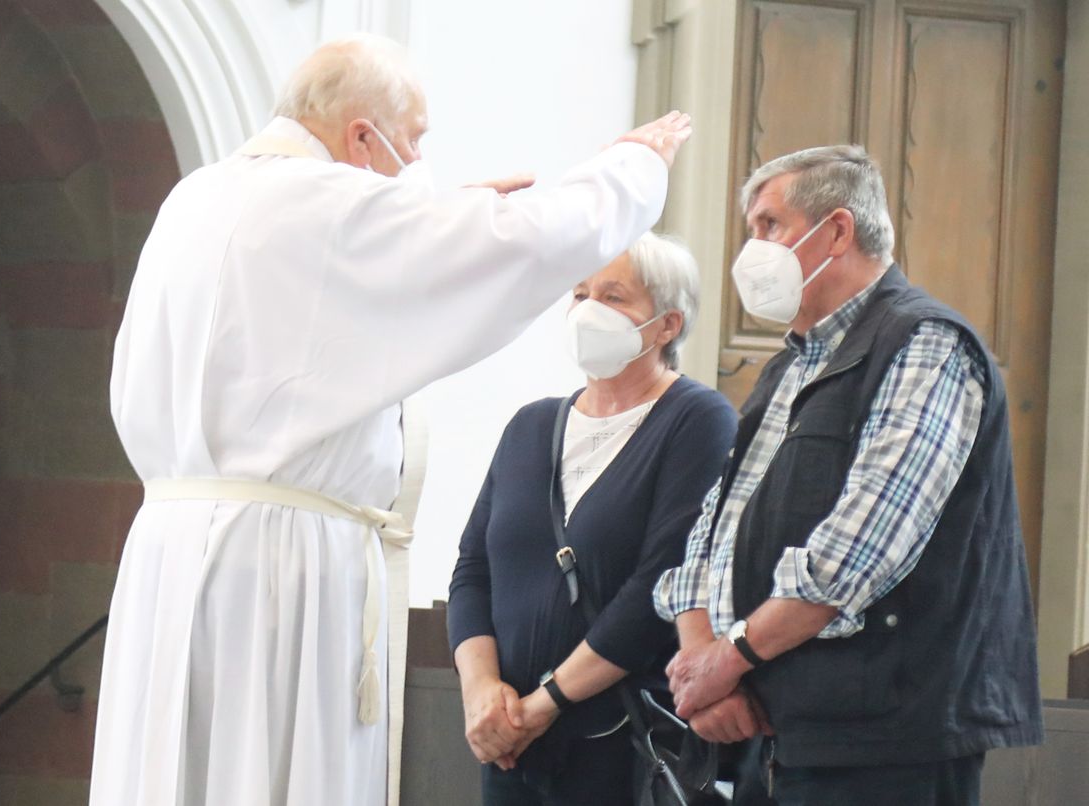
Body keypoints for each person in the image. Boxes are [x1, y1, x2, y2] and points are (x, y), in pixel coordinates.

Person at [91, 32, 693, 806]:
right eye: (413, 143)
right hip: (278, 565)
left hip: (171, 557)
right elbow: (519, 243)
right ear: (361, 137)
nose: (417, 166)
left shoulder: (198, 199)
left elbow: (356, 284)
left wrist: (445, 220)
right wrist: (633, 167)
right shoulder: (327, 202)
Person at [652, 145, 1043, 806]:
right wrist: (703, 672)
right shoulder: (787, 369)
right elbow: (711, 537)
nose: (753, 251)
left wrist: (726, 661)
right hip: (775, 733)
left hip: (886, 745)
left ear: (836, 231)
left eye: (769, 226)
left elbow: (856, 555)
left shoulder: (926, 345)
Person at [447, 233, 737, 805]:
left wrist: (542, 704)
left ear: (667, 325)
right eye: (580, 294)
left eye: (613, 296)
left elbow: (659, 585)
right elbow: (472, 570)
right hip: (510, 747)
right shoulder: (531, 427)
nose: (588, 310)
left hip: (621, 746)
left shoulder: (697, 420)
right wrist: (483, 696)